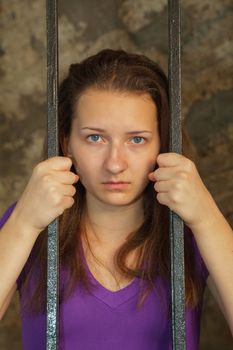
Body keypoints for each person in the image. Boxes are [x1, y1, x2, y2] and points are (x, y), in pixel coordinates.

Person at [0, 49, 232, 350]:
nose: (115, 164)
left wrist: (206, 217)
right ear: (66, 142)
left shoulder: (190, 229)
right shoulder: (30, 222)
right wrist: (24, 223)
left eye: (137, 139)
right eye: (95, 137)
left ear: (163, 143)